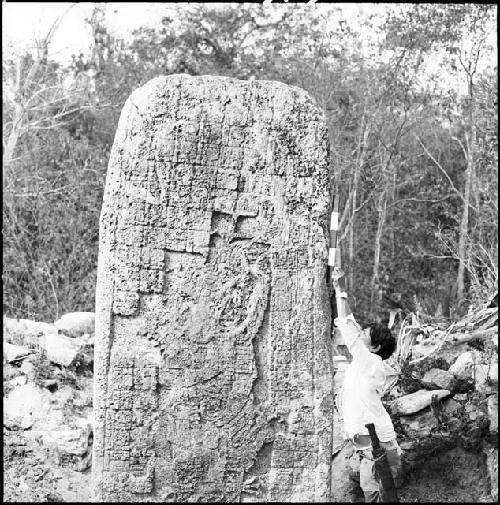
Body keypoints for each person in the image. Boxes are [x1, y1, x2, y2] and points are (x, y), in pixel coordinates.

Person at [331, 266, 402, 503]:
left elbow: (349, 332)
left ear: (376, 347)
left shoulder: (370, 362)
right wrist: (342, 295)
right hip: (369, 439)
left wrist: (340, 289)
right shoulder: (366, 363)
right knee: (373, 486)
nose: (361, 334)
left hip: (376, 438)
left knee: (377, 488)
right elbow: (351, 324)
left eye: (366, 334)